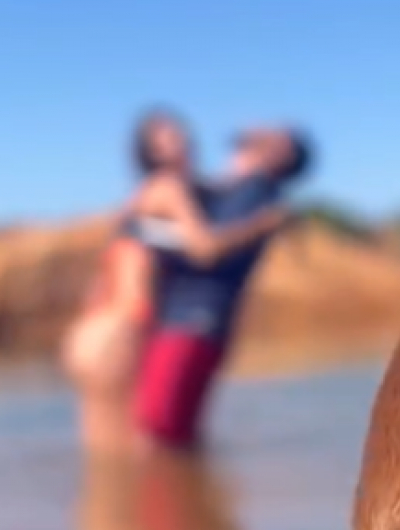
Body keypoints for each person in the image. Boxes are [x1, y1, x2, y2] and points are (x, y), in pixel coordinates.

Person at [128, 116, 313, 453]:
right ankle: (193, 502)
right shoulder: (236, 190)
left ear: (280, 154)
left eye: (274, 134)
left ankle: (170, 504)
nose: (259, 128)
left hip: (192, 322)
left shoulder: (255, 189)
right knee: (172, 436)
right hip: (195, 323)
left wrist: (266, 222)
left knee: (159, 437)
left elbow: (206, 250)